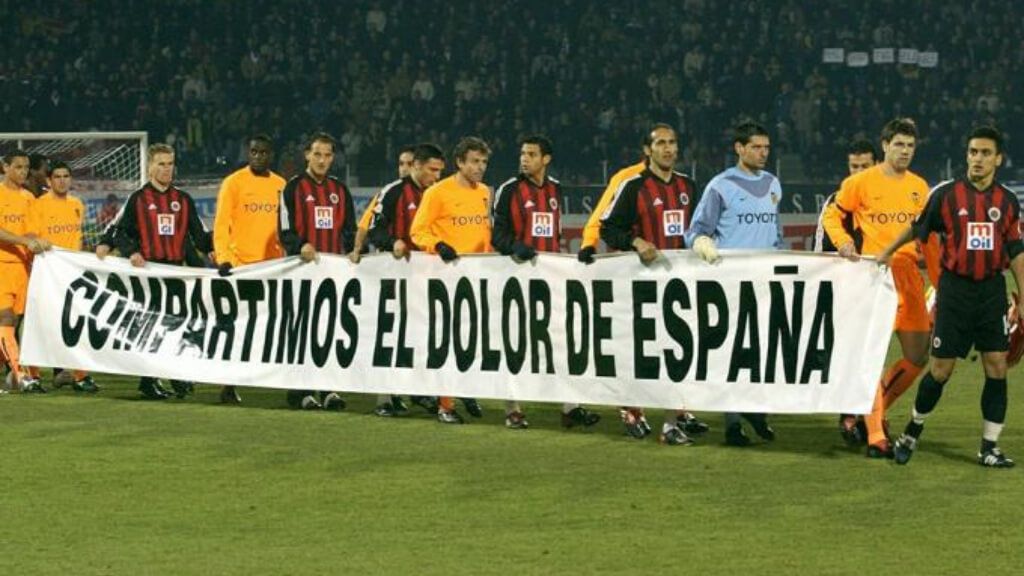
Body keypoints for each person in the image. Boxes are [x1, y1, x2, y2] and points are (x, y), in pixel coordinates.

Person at [879, 126, 1023, 468]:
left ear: (998, 159)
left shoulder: (1007, 201)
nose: (977, 159)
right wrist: (886, 251)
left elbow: (1017, 251)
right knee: (941, 369)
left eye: (985, 153)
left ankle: (989, 447)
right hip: (955, 291)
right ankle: (912, 430)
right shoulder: (946, 195)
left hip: (991, 291)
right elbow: (918, 227)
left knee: (997, 367)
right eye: (973, 152)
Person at [822, 118, 932, 459]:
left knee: (917, 356)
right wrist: (842, 243)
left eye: (910, 146)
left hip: (909, 276)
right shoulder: (860, 182)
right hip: (874, 276)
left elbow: (926, 234)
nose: (904, 151)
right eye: (898, 144)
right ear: (885, 145)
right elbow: (831, 216)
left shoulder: (920, 187)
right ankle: (875, 435)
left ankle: (869, 409)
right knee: (870, 357)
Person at [600, 123, 701, 446]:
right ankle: (632, 407)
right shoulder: (634, 186)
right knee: (641, 351)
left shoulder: (688, 186)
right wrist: (636, 241)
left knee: (678, 349)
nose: (668, 148)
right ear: (647, 150)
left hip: (680, 284)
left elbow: (700, 227)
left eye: (673, 142)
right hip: (642, 285)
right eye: (661, 143)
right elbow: (608, 229)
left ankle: (673, 420)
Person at [492, 135, 602, 430]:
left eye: (531, 154)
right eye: (522, 153)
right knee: (518, 343)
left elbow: (553, 234)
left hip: (549, 277)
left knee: (561, 340)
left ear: (546, 159)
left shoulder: (554, 189)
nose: (524, 159)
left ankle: (570, 406)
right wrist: (515, 246)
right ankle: (512, 408)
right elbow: (496, 235)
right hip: (517, 278)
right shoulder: (509, 190)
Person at [687, 121, 782, 447]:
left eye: (766, 148)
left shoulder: (773, 184)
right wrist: (703, 245)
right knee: (733, 350)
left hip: (765, 282)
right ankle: (731, 425)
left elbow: (776, 233)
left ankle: (754, 409)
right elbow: (696, 231)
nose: (763, 153)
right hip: (730, 282)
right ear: (739, 148)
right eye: (756, 147)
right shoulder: (720, 186)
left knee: (760, 349)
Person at [111, 143, 213, 400]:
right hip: (149, 274)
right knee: (154, 328)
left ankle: (170, 375)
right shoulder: (138, 199)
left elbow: (199, 238)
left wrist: (220, 240)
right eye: (161, 164)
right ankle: (152, 379)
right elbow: (120, 232)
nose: (167, 169)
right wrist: (132, 252)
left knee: (176, 326)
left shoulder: (183, 200)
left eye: (170, 164)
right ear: (150, 166)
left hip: (176, 273)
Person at [409, 136, 492, 424]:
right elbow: (417, 232)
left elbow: (484, 233)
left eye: (483, 162)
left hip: (476, 278)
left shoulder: (484, 192)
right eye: (474, 162)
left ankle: (463, 391)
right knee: (449, 342)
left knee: (472, 341)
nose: (480, 167)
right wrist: (438, 245)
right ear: (459, 162)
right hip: (445, 280)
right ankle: (445, 404)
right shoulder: (437, 193)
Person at [368, 143, 446, 418]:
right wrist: (393, 242)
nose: (436, 176)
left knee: (422, 335)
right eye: (431, 170)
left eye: (439, 171)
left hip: (427, 276)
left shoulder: (439, 193)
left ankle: (416, 389)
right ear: (416, 165)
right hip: (394, 274)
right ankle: (384, 398)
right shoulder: (393, 192)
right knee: (391, 334)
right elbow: (373, 231)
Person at [278, 132, 354, 411]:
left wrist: (352, 251)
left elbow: (349, 230)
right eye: (317, 154)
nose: (323, 160)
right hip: (301, 272)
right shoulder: (293, 188)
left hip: (333, 273)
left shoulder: (340, 190)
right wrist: (301, 245)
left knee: (331, 330)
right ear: (306, 155)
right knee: (304, 331)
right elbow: (284, 230)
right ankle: (301, 391)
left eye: (328, 155)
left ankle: (329, 389)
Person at [212, 134, 287, 404]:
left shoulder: (281, 185)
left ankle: (279, 378)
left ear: (271, 155)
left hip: (271, 268)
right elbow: (221, 225)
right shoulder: (233, 183)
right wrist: (224, 258)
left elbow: (285, 229)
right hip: (240, 267)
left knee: (271, 326)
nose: (257, 156)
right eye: (253, 151)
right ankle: (228, 384)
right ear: (248, 152)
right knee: (236, 327)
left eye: (263, 152)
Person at [814, 138, 877, 444]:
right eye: (854, 166)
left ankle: (868, 414)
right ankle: (852, 415)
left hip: (880, 290)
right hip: (845, 292)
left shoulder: (884, 200)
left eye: (865, 166)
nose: (858, 172)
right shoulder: (835, 203)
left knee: (873, 354)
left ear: (876, 166)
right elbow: (819, 253)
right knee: (851, 354)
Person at [33, 161, 99, 392]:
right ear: (49, 180)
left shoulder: (77, 204)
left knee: (75, 323)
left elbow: (78, 238)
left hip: (72, 274)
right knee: (45, 325)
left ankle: (77, 375)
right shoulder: (38, 205)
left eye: (66, 176)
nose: (62, 180)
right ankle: (34, 375)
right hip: (47, 274)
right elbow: (32, 238)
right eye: (57, 176)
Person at [0, 150, 50, 393]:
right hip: (0, 265)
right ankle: (21, 375)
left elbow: (31, 231)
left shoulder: (29, 198)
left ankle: (9, 374)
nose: (23, 172)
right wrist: (24, 240)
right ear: (5, 167)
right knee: (5, 318)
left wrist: (37, 241)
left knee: (15, 324)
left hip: (21, 268)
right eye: (18, 167)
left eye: (26, 167)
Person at [351, 145, 416, 262]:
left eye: (409, 164)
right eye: (401, 164)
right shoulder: (388, 192)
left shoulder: (430, 192)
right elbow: (365, 224)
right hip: (391, 261)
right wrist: (357, 249)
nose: (404, 168)